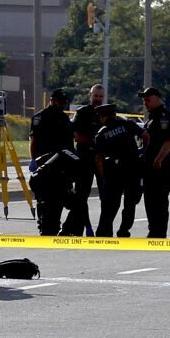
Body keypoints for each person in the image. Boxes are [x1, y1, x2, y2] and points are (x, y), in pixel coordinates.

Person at [91, 102, 144, 238]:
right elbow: (145, 135)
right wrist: (142, 152)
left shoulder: (101, 134)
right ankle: (123, 230)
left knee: (110, 205)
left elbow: (98, 159)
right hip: (132, 170)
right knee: (130, 203)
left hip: (113, 173)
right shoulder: (127, 124)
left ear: (102, 117)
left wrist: (102, 177)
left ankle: (104, 233)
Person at [28, 88, 75, 237]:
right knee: (44, 200)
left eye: (64, 103)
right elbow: (34, 141)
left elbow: (69, 144)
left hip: (62, 166)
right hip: (45, 165)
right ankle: (45, 226)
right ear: (52, 100)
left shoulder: (64, 119)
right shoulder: (40, 118)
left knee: (62, 199)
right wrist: (33, 160)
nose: (62, 105)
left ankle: (58, 227)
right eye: (60, 102)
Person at [61, 83, 106, 236]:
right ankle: (80, 227)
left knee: (106, 196)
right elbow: (76, 135)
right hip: (85, 158)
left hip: (102, 160)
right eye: (95, 96)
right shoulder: (82, 112)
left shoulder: (107, 114)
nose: (98, 99)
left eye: (100, 96)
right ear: (90, 95)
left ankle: (103, 229)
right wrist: (93, 141)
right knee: (81, 196)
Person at [138, 86, 170, 239]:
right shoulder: (152, 117)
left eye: (148, 99)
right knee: (150, 198)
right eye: (144, 99)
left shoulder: (163, 117)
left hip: (161, 165)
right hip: (150, 164)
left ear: (157, 98)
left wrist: (158, 159)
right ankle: (153, 230)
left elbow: (168, 141)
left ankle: (159, 233)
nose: (145, 102)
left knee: (159, 200)